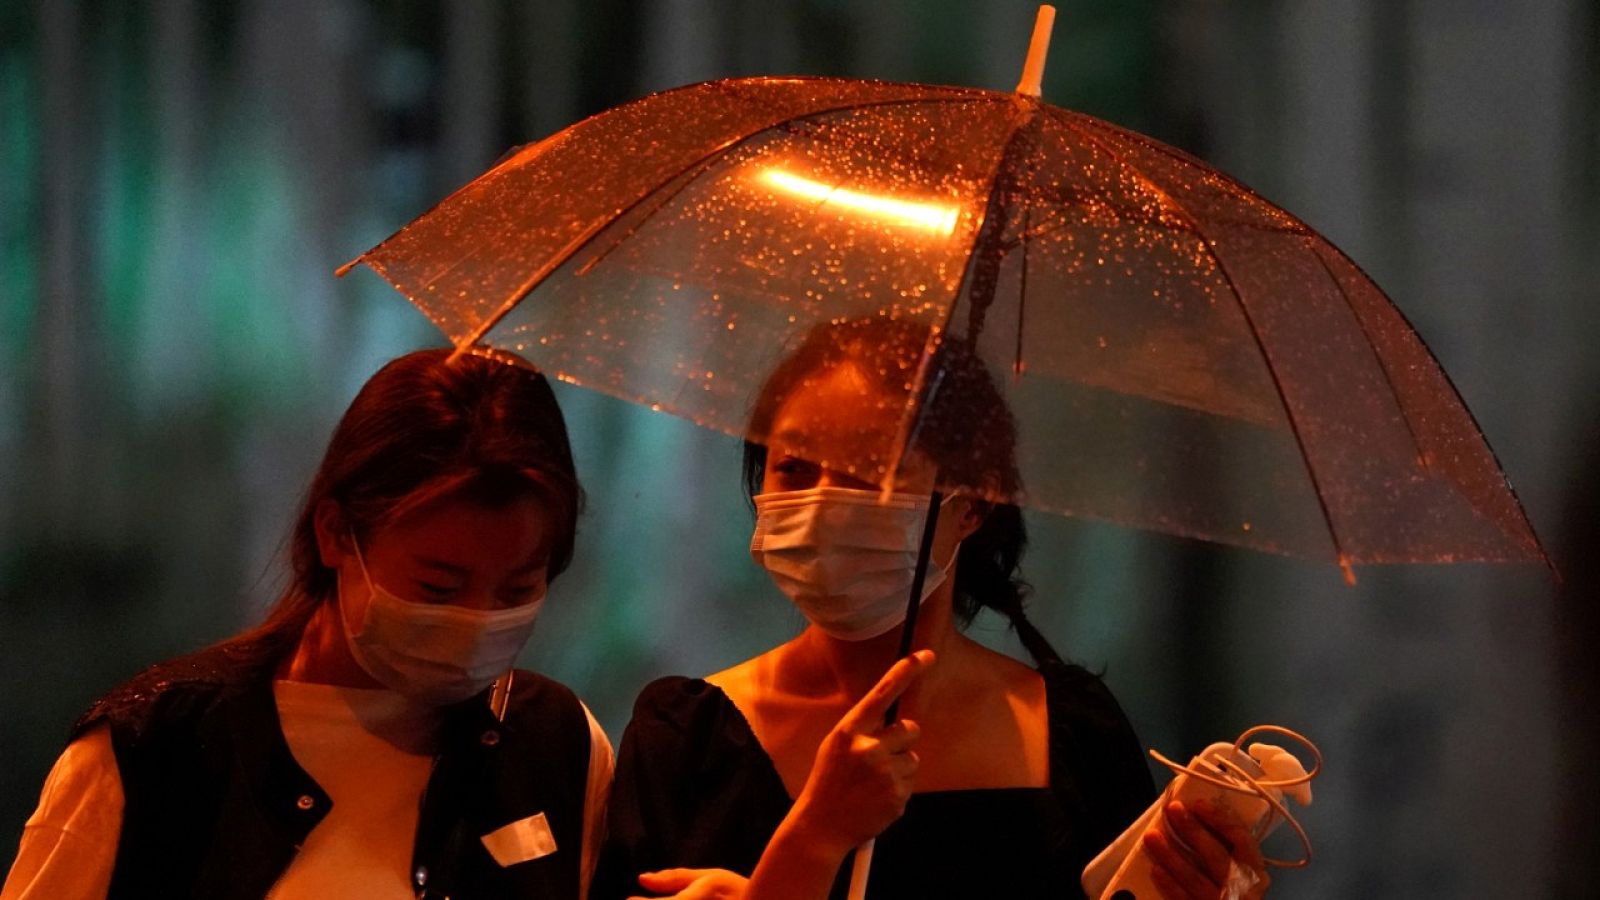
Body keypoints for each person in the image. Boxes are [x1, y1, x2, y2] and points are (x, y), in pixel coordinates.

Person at [594, 318, 1268, 900]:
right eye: (794, 468)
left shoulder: (1071, 738)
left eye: (871, 473)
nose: (825, 502)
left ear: (971, 503)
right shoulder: (688, 739)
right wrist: (810, 842)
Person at [2, 348, 612, 899]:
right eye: (437, 586)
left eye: (517, 588)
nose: (476, 620)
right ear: (336, 534)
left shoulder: (555, 743)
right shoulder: (159, 749)